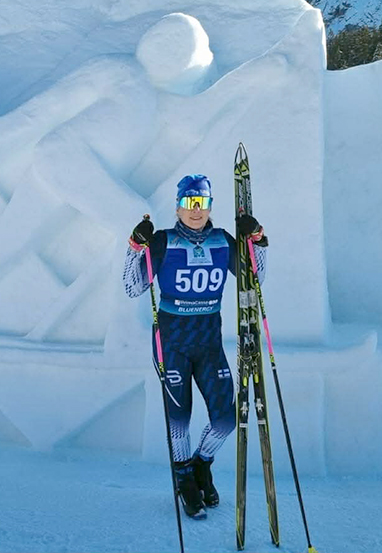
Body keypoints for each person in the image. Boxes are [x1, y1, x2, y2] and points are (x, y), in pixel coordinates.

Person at [123, 173, 267, 519]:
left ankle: (202, 464)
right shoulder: (164, 241)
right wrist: (135, 247)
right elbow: (132, 287)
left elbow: (253, 282)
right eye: (189, 203)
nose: (196, 210)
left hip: (207, 344)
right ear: (178, 206)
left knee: (225, 420)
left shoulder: (221, 241)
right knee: (179, 419)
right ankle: (184, 479)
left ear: (210, 205)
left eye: (202, 202)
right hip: (172, 345)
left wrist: (257, 241)